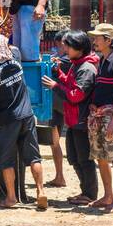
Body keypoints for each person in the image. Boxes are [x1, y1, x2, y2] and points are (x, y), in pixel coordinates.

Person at [0, 34, 48, 211]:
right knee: (34, 157)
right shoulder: (17, 60)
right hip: (27, 115)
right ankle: (41, 192)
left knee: (6, 160)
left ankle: (11, 198)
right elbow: (13, 50)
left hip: (8, 119)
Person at [44, 30, 98, 204]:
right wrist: (58, 72)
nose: (65, 48)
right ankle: (85, 191)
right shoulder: (77, 64)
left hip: (82, 120)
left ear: (79, 48)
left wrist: (55, 86)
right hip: (74, 120)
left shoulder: (87, 68)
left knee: (84, 159)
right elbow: (68, 82)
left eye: (68, 45)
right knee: (75, 158)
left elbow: (76, 95)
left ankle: (90, 194)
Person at [86, 23, 113, 212]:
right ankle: (107, 196)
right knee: (101, 157)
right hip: (99, 115)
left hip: (111, 116)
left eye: (98, 37)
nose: (94, 41)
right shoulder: (103, 60)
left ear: (108, 41)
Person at [43, 31, 68, 187]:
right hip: (60, 105)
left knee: (56, 141)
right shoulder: (64, 60)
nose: (59, 47)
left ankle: (60, 176)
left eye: (60, 44)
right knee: (54, 142)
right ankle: (59, 176)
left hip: (62, 105)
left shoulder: (65, 61)